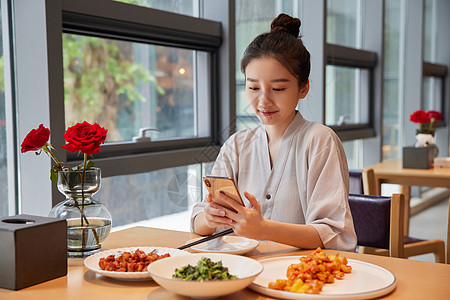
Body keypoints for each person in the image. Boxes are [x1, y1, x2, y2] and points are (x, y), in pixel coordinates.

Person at [191, 13, 356, 251]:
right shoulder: (237, 145)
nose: (263, 100)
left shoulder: (320, 141)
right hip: (244, 269)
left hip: (300, 277)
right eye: (253, 87)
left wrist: (264, 229)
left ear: (303, 88)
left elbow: (333, 233)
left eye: (278, 88)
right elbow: (198, 221)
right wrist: (210, 218)